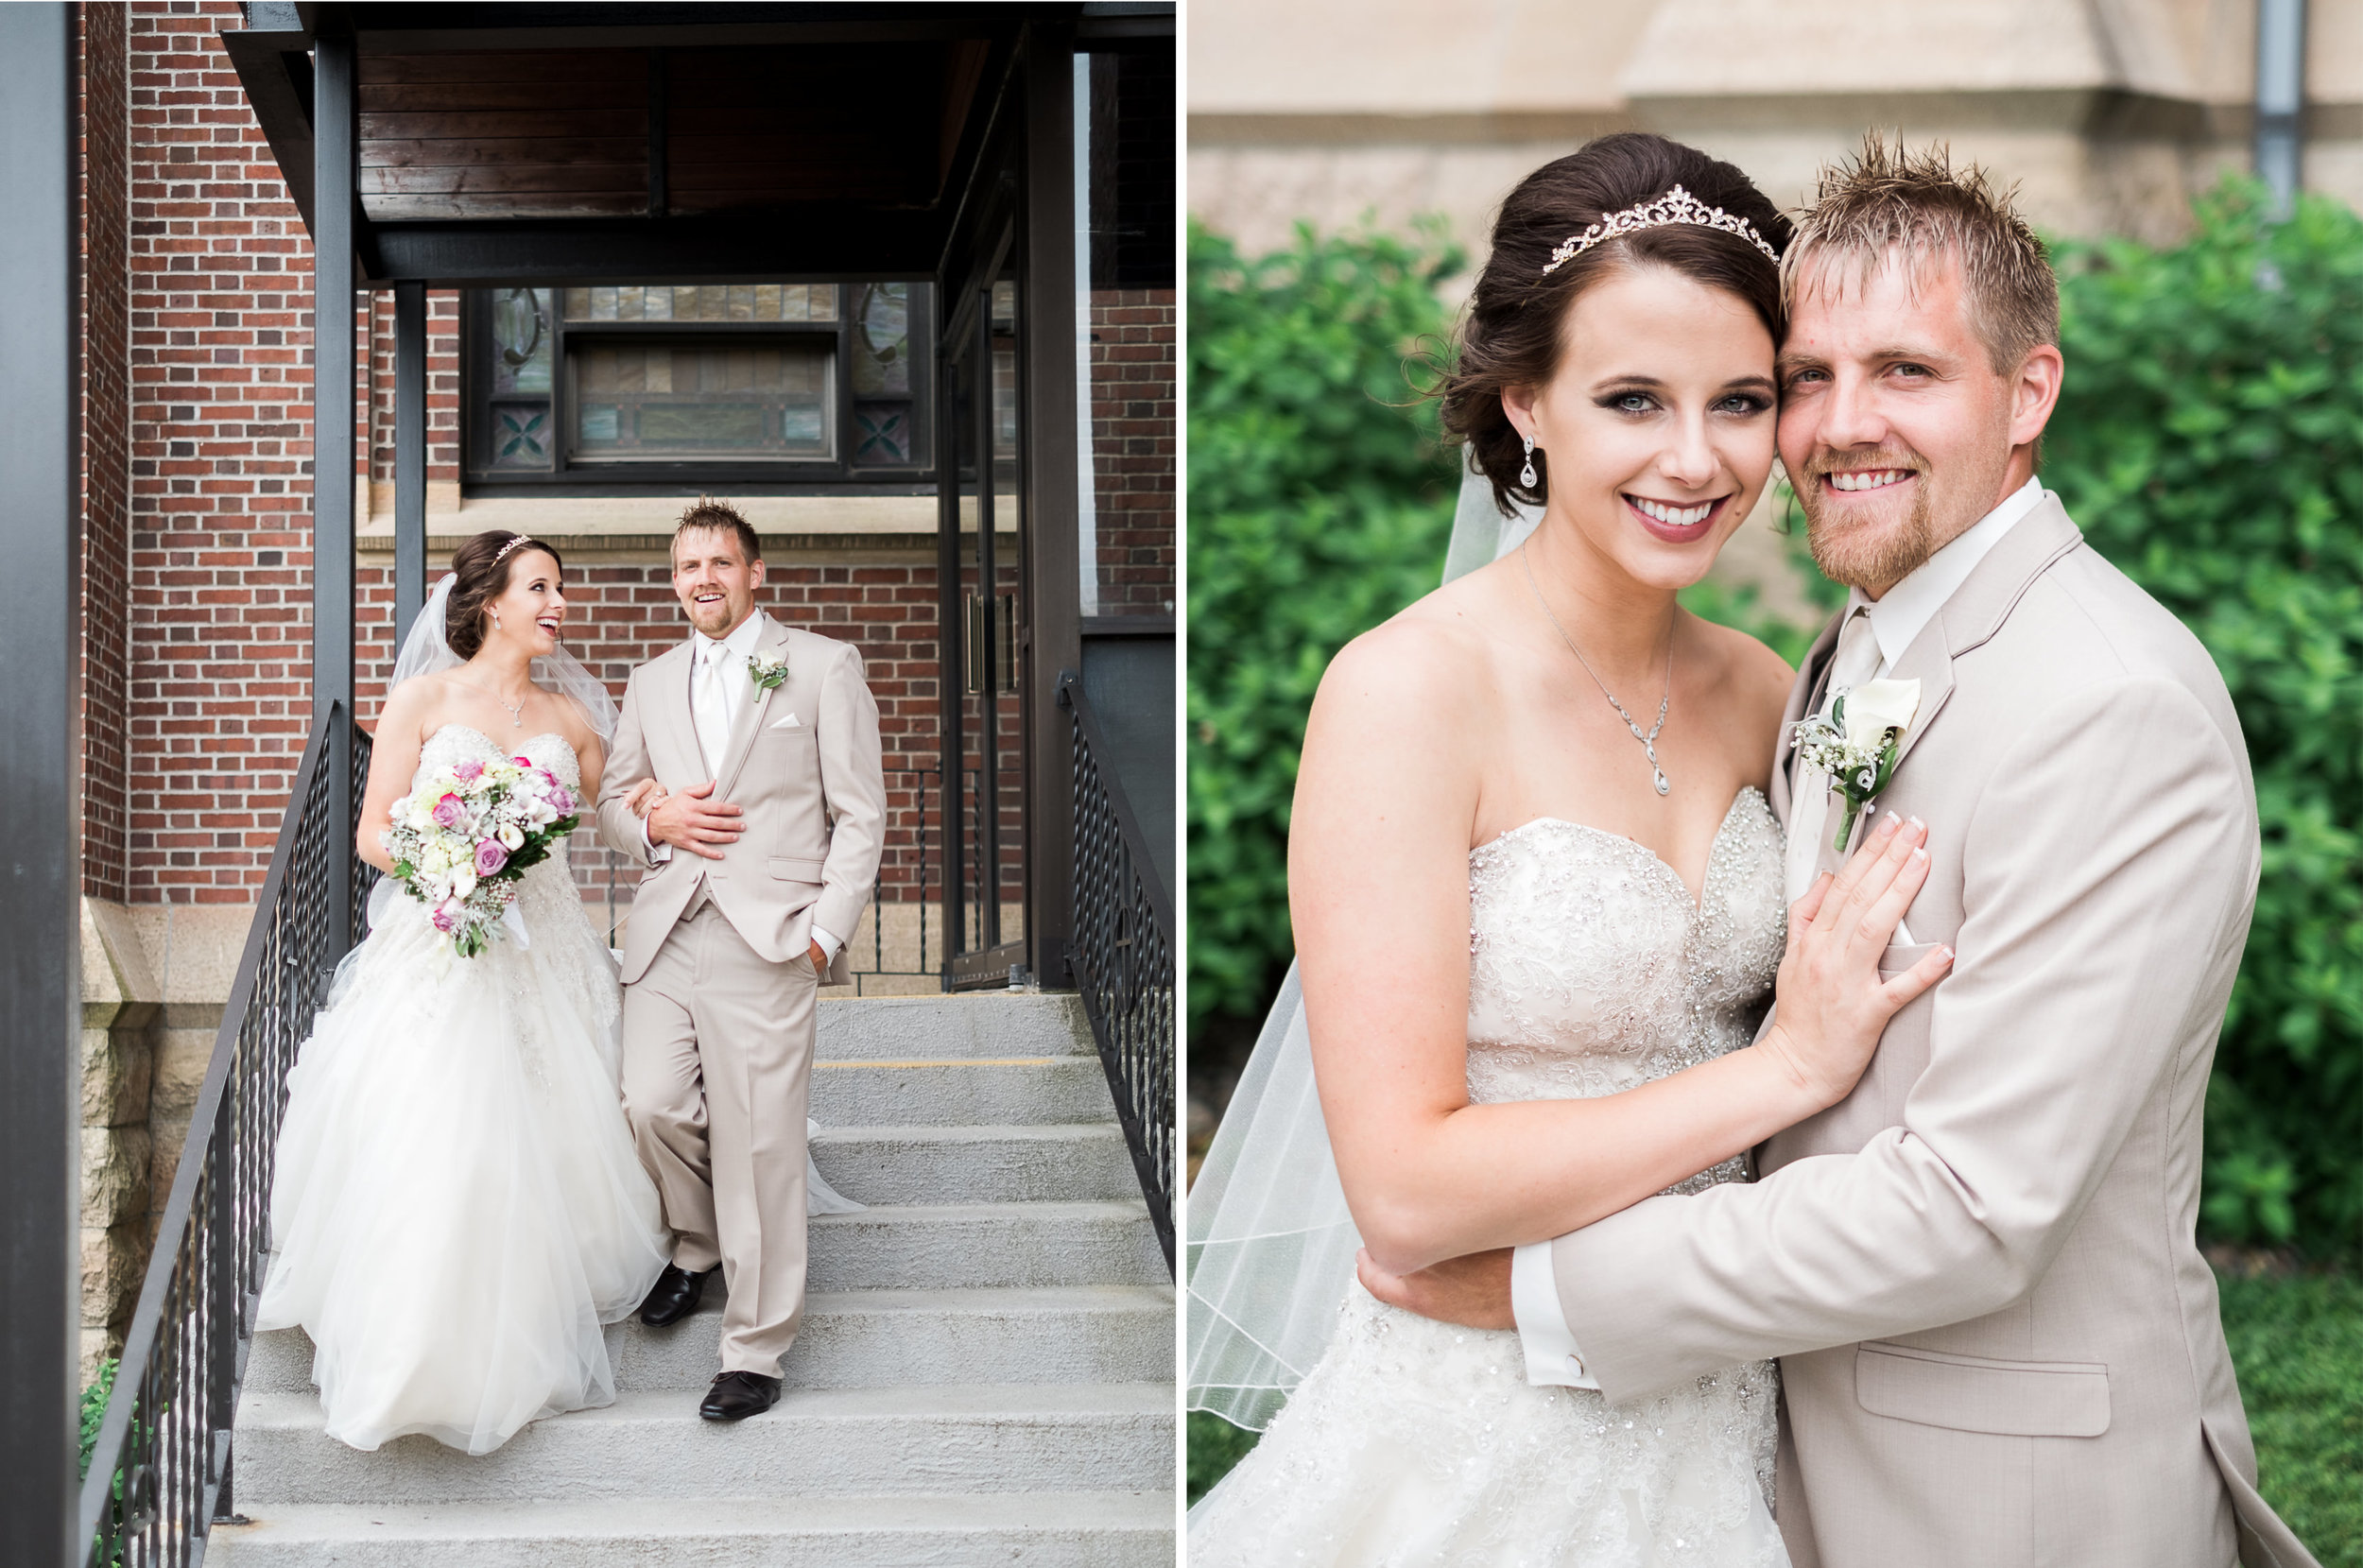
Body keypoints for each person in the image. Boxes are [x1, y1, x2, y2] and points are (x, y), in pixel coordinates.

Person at [1356, 139, 2320, 1568]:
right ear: (1529, 408)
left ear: (2028, 393)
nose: (1835, 424)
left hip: (2004, 1495)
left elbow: (1970, 1206)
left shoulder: (2111, 703)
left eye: (1907, 372)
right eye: (1805, 377)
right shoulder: (1844, 653)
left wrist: (1542, 1289)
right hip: (1756, 1438)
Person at [1188, 132, 1951, 1565]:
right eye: (1631, 400)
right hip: (1479, 1414)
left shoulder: (1772, 694)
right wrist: (1778, 1068)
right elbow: (1405, 1189)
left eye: (1741, 400)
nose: (1696, 459)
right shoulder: (1408, 693)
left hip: (1729, 1394)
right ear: (1525, 401)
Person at [258, 529, 671, 1455]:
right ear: (493, 602)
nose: (558, 603)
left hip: (549, 950)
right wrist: (447, 863)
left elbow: (613, 816)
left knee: (564, 1118)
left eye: (561, 588)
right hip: (443, 941)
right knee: (443, 1124)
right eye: (541, 587)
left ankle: (530, 1310)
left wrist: (660, 812)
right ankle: (418, 1342)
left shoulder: (570, 722)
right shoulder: (422, 699)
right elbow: (372, 833)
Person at [595, 498, 887, 1423]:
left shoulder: (821, 666)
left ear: (754, 572)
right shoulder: (649, 680)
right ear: (673, 580)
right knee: (649, 1105)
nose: (703, 581)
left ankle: (753, 1349)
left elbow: (861, 814)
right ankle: (700, 1241)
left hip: (771, 935)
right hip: (668, 926)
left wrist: (824, 931)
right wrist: (652, 818)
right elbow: (609, 800)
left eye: (719, 563)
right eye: (687, 567)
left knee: (760, 1144)